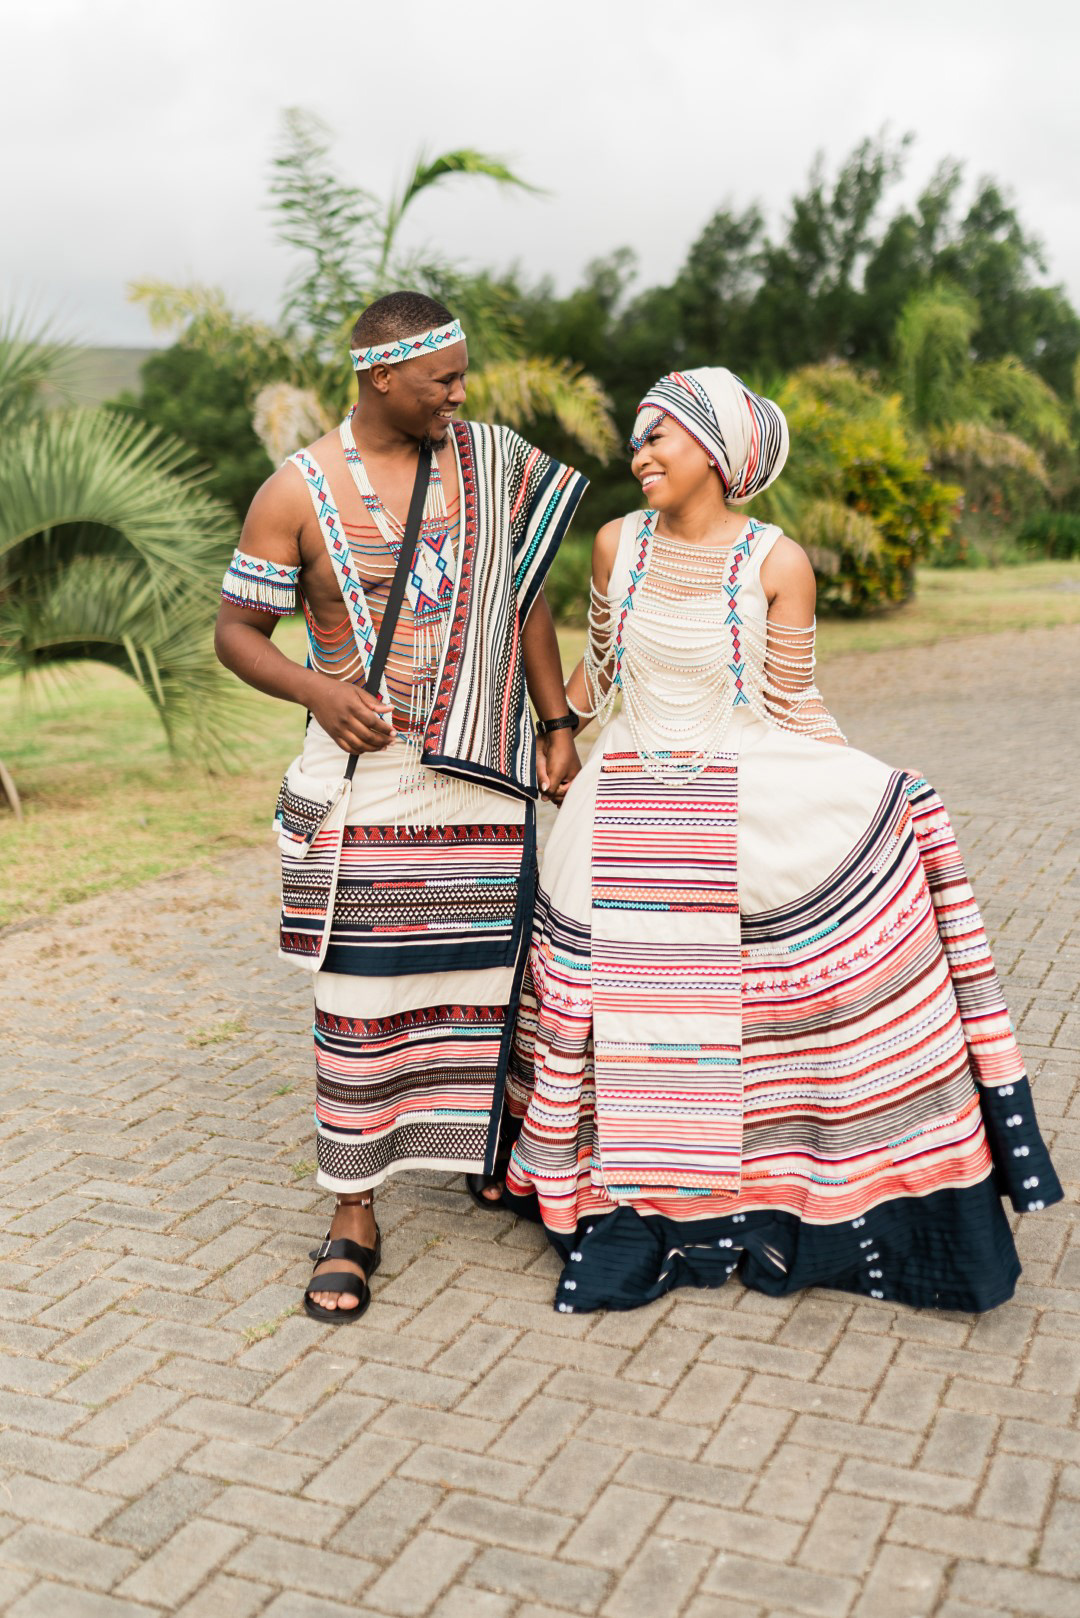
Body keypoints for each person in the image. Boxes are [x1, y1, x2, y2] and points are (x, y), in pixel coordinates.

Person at [503, 365, 1061, 1314]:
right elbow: (603, 680)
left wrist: (866, 795)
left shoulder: (778, 562)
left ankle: (773, 1183)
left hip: (743, 777)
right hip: (629, 792)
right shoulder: (612, 546)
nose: (639, 455)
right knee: (635, 1015)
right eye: (638, 439)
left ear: (716, 455)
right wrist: (554, 741)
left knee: (753, 1000)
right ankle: (643, 1204)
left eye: (660, 438)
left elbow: (793, 703)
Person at [215, 291, 586, 1322]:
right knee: (361, 993)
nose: (461, 396)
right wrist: (318, 691)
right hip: (371, 782)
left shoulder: (488, 463)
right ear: (382, 375)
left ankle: (498, 1161)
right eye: (445, 379)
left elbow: (529, 594)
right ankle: (354, 1210)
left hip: (484, 764)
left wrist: (556, 723)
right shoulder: (295, 493)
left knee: (494, 978)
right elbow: (235, 630)